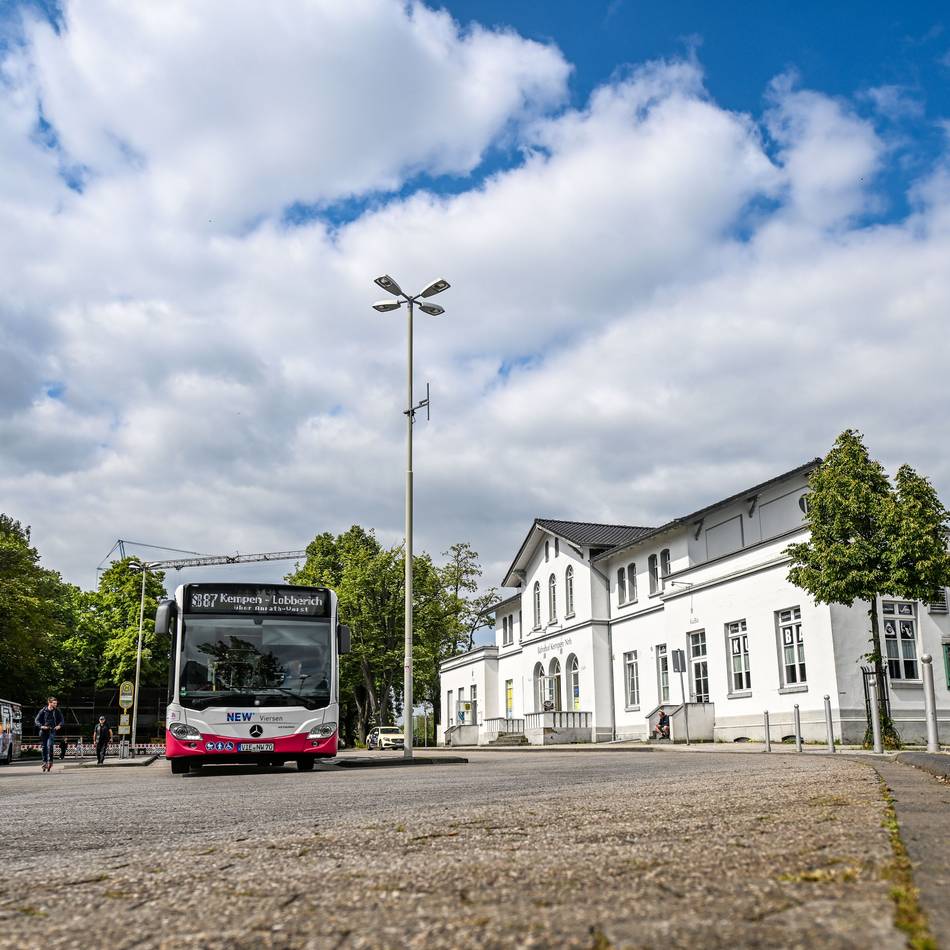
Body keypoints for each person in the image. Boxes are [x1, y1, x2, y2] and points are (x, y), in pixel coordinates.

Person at [34, 697, 64, 772]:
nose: (56, 704)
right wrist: (41, 726)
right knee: (44, 747)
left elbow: (62, 720)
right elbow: (36, 720)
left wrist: (59, 725)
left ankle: (50, 761)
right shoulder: (43, 711)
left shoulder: (57, 711)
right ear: (49, 703)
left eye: (56, 703)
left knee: (49, 745)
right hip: (43, 731)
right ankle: (44, 762)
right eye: (54, 703)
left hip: (52, 730)